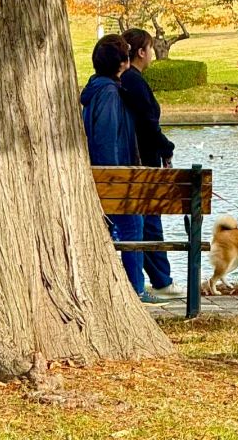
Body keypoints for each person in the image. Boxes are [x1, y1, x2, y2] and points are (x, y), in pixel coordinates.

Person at [80, 34, 168, 304]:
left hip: (112, 174)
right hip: (113, 177)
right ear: (123, 63)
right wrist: (115, 175)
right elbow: (106, 138)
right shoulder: (108, 93)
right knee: (133, 225)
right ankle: (135, 290)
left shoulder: (100, 88)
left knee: (128, 226)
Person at [120, 28, 183, 300]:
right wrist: (166, 147)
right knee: (150, 222)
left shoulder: (127, 81)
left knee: (146, 222)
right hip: (144, 162)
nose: (152, 54)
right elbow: (148, 123)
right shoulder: (134, 82)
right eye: (149, 48)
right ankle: (161, 280)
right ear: (141, 52)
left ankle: (158, 278)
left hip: (138, 161)